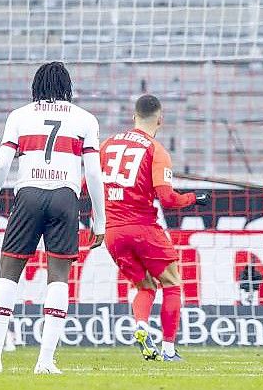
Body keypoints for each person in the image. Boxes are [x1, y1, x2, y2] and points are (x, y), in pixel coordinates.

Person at [0, 62, 106, 375]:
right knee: (58, 277)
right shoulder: (85, 119)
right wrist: (100, 221)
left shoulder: (19, 116)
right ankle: (45, 362)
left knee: (7, 275)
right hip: (65, 197)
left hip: (28, 195)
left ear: (37, 86)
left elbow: (2, 165)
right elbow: (94, 173)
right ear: (67, 87)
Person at [100, 94, 210, 361]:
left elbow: (86, 185)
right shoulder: (156, 150)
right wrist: (195, 198)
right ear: (160, 119)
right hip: (144, 229)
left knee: (145, 287)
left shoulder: (107, 144)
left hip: (113, 232)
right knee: (172, 284)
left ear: (133, 117)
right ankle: (169, 350)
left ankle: (141, 326)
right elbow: (169, 200)